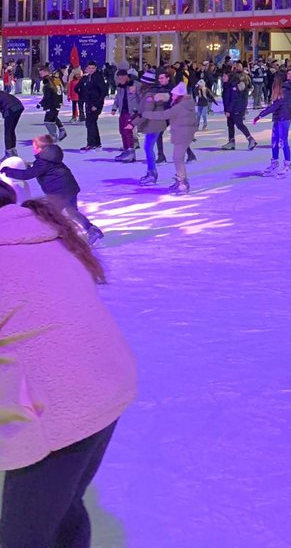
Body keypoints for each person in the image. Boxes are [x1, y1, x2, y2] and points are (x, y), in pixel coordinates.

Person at [0, 186, 136, 546]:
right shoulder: (36, 231)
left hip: (58, 409)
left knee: (24, 536)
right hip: (101, 388)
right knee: (61, 509)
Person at [2, 135, 103, 243]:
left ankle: (62, 236)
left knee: (53, 215)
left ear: (39, 149)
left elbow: (27, 174)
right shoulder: (49, 157)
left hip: (60, 192)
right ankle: (90, 229)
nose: (32, 148)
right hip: (69, 188)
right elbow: (38, 168)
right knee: (71, 211)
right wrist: (29, 165)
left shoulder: (43, 162)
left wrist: (8, 171)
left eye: (34, 146)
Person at [140, 82, 197, 194]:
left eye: (174, 95)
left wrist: (146, 114)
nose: (172, 96)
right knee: (178, 158)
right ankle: (181, 181)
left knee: (178, 159)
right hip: (185, 133)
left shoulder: (180, 107)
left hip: (182, 134)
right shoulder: (187, 103)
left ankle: (183, 184)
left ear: (179, 95)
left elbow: (163, 115)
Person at [254, 70, 291, 176]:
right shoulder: (281, 89)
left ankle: (288, 165)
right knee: (274, 141)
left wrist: (260, 115)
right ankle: (274, 163)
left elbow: (275, 106)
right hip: (278, 117)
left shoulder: (286, 89)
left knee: (283, 141)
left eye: (274, 79)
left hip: (284, 117)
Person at [221, 63, 258, 152]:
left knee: (239, 124)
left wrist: (229, 110)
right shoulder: (226, 85)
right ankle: (231, 141)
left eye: (224, 76)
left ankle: (251, 139)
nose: (223, 78)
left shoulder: (233, 85)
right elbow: (226, 99)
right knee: (230, 125)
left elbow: (233, 99)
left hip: (237, 108)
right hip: (231, 108)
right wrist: (226, 110)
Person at [111, 68, 140, 163]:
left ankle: (131, 152)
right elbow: (117, 97)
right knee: (122, 131)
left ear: (126, 77)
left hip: (132, 112)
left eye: (122, 78)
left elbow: (141, 97)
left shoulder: (135, 85)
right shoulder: (120, 87)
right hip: (123, 112)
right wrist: (114, 108)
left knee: (128, 131)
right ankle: (126, 150)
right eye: (119, 78)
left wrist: (140, 110)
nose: (120, 80)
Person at [80, 61, 106, 153]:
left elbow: (103, 91)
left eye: (92, 68)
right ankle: (96, 143)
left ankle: (92, 144)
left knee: (90, 123)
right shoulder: (88, 77)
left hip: (95, 104)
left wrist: (96, 105)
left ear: (95, 68)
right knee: (91, 123)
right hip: (89, 103)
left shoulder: (98, 77)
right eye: (89, 68)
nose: (91, 70)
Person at [38, 65, 66, 142]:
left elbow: (48, 94)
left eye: (41, 73)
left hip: (51, 103)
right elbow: (59, 90)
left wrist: (41, 103)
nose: (40, 75)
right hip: (56, 102)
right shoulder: (56, 79)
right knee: (52, 118)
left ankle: (53, 136)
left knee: (48, 121)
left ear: (45, 72)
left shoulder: (48, 80)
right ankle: (60, 131)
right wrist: (60, 101)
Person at [0, 88, 24, 158]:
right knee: (11, 130)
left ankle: (9, 154)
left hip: (10, 108)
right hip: (19, 106)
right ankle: (13, 151)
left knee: (8, 131)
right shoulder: (2, 93)